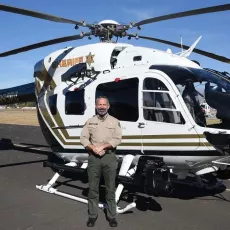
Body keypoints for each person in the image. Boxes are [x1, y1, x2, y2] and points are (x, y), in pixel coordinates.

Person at [80, 96, 122, 227]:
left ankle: (111, 216)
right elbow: (83, 138)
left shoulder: (115, 122)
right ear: (95, 106)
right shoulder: (90, 121)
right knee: (93, 188)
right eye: (99, 104)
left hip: (109, 157)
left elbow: (117, 139)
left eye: (104, 104)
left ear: (108, 106)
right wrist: (93, 148)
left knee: (110, 189)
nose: (102, 107)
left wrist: (103, 146)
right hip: (94, 158)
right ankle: (92, 216)